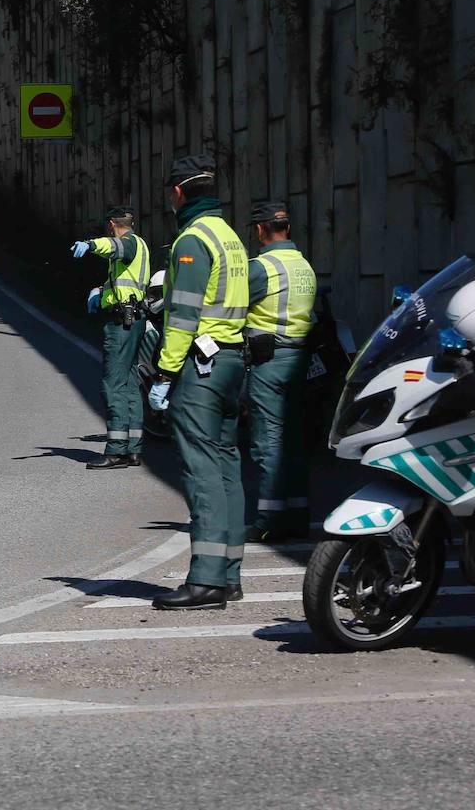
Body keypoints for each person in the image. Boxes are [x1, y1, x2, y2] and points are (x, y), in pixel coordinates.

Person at [146, 154, 250, 611]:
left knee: (201, 470)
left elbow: (183, 315)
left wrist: (165, 372)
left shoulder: (191, 241)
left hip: (199, 369)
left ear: (177, 193)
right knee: (226, 468)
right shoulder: (229, 236)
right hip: (231, 362)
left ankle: (206, 582)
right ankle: (227, 576)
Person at [244, 201, 317, 541]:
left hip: (269, 362)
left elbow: (231, 305)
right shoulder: (304, 265)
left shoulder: (262, 267)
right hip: (298, 358)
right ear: (287, 228)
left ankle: (269, 519)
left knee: (267, 441)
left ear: (260, 230)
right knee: (294, 440)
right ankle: (298, 514)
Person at [71, 205, 151, 468]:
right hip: (133, 319)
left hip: (121, 324)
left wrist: (90, 244)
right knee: (128, 383)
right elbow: (123, 284)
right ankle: (133, 448)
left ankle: (116, 450)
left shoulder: (128, 244)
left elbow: (116, 248)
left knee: (113, 384)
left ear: (112, 225)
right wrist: (102, 292)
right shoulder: (141, 245)